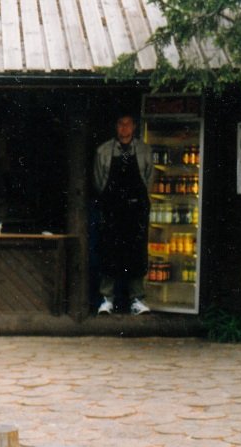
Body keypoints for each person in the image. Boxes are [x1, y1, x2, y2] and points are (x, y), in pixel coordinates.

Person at [92, 113, 154, 315]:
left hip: (136, 212)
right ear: (116, 126)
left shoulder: (144, 151)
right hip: (112, 211)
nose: (124, 128)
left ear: (134, 127)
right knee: (109, 253)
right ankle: (106, 299)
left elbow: (148, 179)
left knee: (136, 254)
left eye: (128, 124)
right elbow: (99, 181)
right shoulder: (103, 151)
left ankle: (137, 299)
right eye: (121, 124)